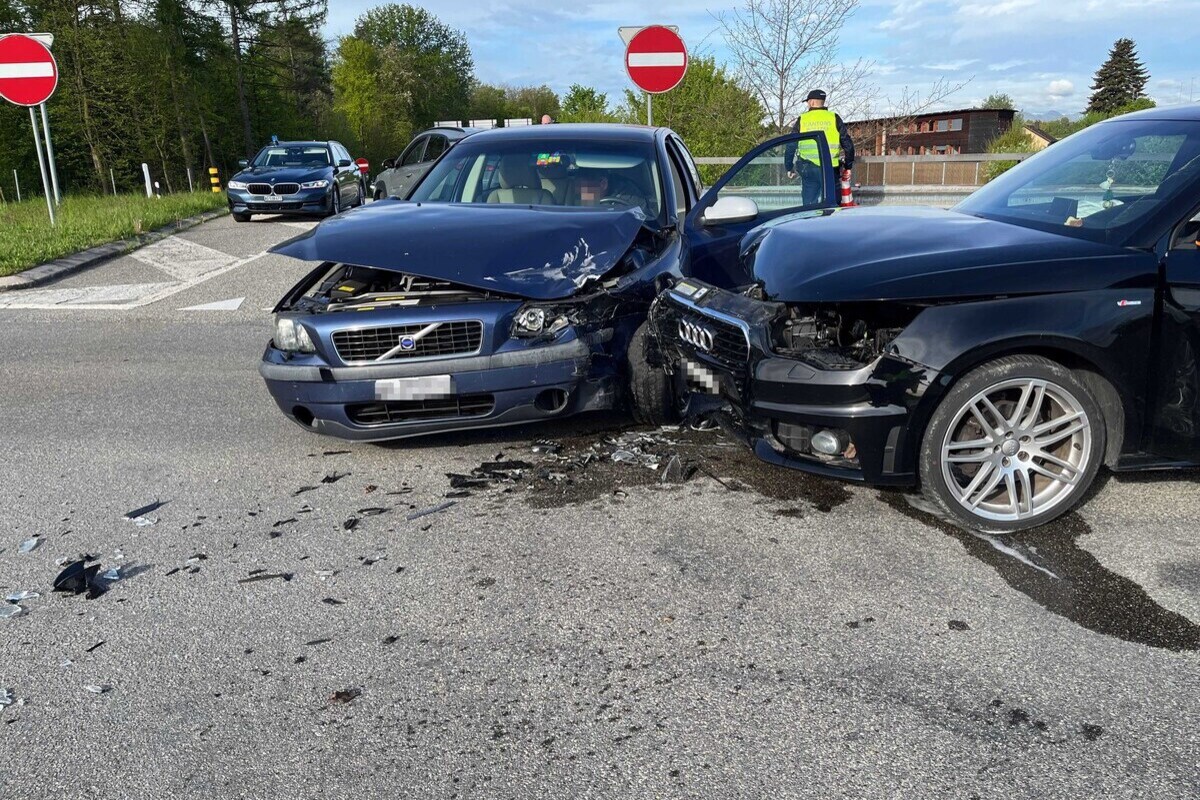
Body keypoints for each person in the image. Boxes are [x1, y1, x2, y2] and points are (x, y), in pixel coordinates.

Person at [784, 89, 854, 206]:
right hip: (830, 169)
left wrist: (789, 167)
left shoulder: (803, 119)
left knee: (809, 206)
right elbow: (847, 144)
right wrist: (848, 166)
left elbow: (791, 145)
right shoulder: (834, 118)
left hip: (808, 169)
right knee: (832, 205)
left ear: (811, 102)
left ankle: (810, 222)